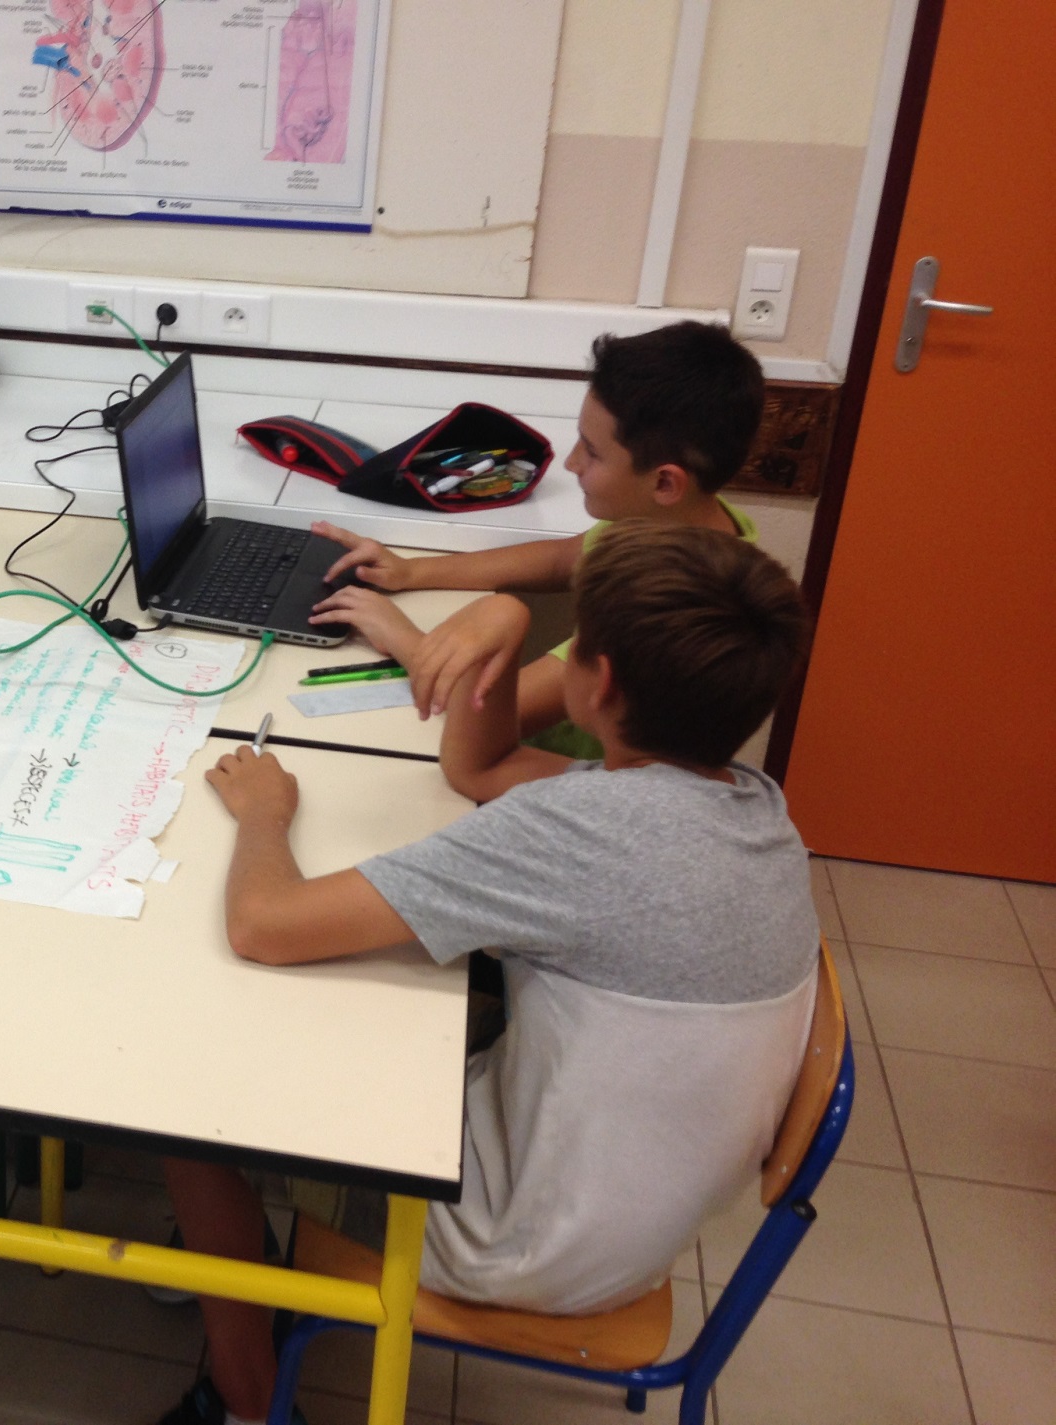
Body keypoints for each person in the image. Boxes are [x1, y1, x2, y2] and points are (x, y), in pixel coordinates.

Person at [158, 523, 818, 1425]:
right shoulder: (753, 806)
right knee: (391, 995)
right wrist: (503, 626)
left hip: (514, 1245)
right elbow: (483, 766)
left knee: (187, 1100)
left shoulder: (578, 833)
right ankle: (228, 1253)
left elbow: (263, 924)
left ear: (598, 683)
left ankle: (242, 1403)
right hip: (623, 1219)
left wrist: (265, 815)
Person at [310, 320, 766, 759]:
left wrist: (401, 636)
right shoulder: (670, 520)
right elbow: (562, 559)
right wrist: (413, 571)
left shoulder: (672, 610)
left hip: (557, 778)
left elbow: (497, 711)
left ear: (665, 482)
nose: (571, 463)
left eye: (592, 451)